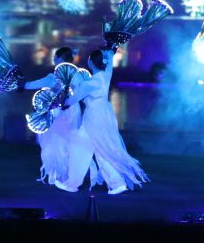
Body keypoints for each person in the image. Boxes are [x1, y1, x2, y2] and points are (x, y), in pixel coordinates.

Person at [56, 48, 147, 195]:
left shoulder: (90, 83)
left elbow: (73, 99)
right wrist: (110, 51)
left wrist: (60, 102)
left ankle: (74, 184)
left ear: (91, 62)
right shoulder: (105, 75)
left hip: (94, 117)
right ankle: (116, 183)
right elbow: (109, 62)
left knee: (85, 147)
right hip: (105, 114)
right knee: (99, 149)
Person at [23, 46, 89, 185]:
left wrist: (19, 84)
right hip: (73, 110)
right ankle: (68, 174)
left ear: (59, 58)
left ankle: (56, 174)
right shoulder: (78, 75)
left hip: (58, 111)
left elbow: (30, 85)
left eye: (55, 57)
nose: (53, 59)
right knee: (70, 141)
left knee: (54, 141)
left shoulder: (53, 77)